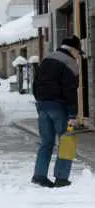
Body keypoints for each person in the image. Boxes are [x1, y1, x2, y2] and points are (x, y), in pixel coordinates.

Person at [32, 35, 83, 188]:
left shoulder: (47, 59)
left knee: (46, 143)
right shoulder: (70, 63)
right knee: (67, 141)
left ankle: (39, 176)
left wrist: (41, 102)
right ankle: (61, 178)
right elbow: (70, 90)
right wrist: (73, 114)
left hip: (42, 105)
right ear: (73, 50)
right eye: (78, 53)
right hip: (59, 108)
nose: (78, 56)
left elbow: (35, 84)